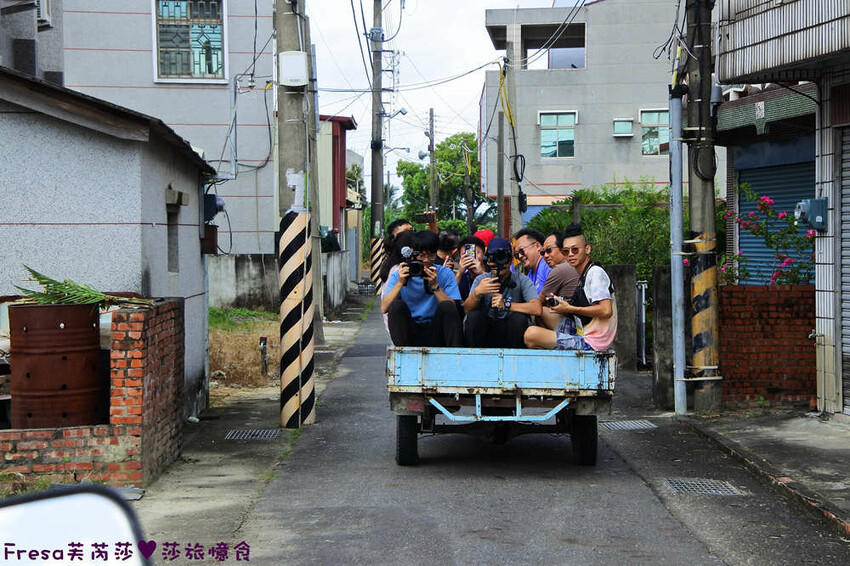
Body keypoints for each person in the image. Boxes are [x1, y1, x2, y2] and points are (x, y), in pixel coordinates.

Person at [525, 224, 617, 351]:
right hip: (583, 330)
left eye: (575, 250)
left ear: (587, 249)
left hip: (592, 342)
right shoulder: (583, 273)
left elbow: (606, 311)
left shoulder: (595, 273)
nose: (570, 255)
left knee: (531, 335)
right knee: (542, 311)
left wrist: (571, 308)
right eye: (566, 251)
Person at [381, 230, 463, 347]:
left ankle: (453, 355)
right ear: (413, 253)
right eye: (422, 255)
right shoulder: (399, 273)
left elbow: (451, 308)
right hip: (410, 329)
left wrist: (435, 285)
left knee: (447, 305)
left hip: (435, 328)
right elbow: (384, 308)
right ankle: (403, 353)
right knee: (396, 306)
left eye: (431, 255)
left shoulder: (445, 273)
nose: (426, 260)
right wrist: (400, 283)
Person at [464, 238, 542, 348]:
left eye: (502, 257)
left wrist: (507, 305)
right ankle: (475, 357)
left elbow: (537, 308)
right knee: (474, 316)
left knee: (519, 319)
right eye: (494, 257)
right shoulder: (481, 280)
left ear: (510, 260)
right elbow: (467, 309)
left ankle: (515, 360)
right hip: (486, 330)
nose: (499, 262)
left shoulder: (522, 280)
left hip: (511, 332)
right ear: (488, 260)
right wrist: (477, 293)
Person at [538, 231, 580, 330]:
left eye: (549, 250)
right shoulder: (574, 265)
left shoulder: (560, 269)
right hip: (580, 320)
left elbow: (539, 300)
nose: (545, 256)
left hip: (573, 324)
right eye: (543, 253)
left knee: (539, 310)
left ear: (562, 248)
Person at [513, 228, 551, 294]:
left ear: (537, 246)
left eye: (521, 251)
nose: (520, 256)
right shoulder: (530, 274)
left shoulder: (547, 266)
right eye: (516, 254)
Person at [455, 235, 486, 300]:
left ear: (483, 253)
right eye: (465, 254)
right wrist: (459, 273)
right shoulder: (460, 275)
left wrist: (482, 273)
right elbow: (450, 295)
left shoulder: (491, 270)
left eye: (476, 253)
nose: (472, 258)